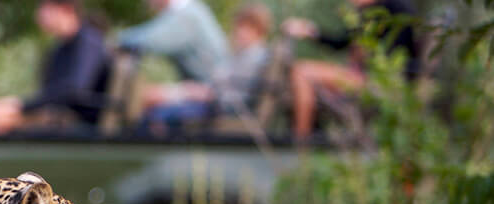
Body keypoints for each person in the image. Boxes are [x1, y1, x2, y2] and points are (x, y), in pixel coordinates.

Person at [282, 0, 420, 140]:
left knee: (302, 72)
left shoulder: (391, 10)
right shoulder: (373, 12)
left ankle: (301, 142)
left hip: (380, 82)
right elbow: (341, 42)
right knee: (302, 71)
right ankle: (306, 137)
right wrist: (311, 31)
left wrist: (362, 56)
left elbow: (395, 55)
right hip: (372, 78)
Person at [0, 0, 110, 134]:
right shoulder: (60, 49)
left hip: (80, 123)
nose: (39, 15)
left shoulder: (88, 42)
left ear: (65, 8)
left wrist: (19, 106)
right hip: (57, 117)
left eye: (44, 7)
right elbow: (50, 92)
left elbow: (74, 90)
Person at [139, 4, 273, 130]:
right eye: (239, 26)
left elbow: (233, 94)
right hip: (214, 101)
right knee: (162, 106)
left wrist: (209, 94)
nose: (240, 32)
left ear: (259, 30)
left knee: (161, 114)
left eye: (247, 28)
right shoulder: (243, 54)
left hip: (222, 108)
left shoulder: (255, 56)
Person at [117, 0, 229, 84]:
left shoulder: (187, 14)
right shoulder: (186, 10)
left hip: (213, 91)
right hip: (203, 86)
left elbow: (152, 40)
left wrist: (118, 39)